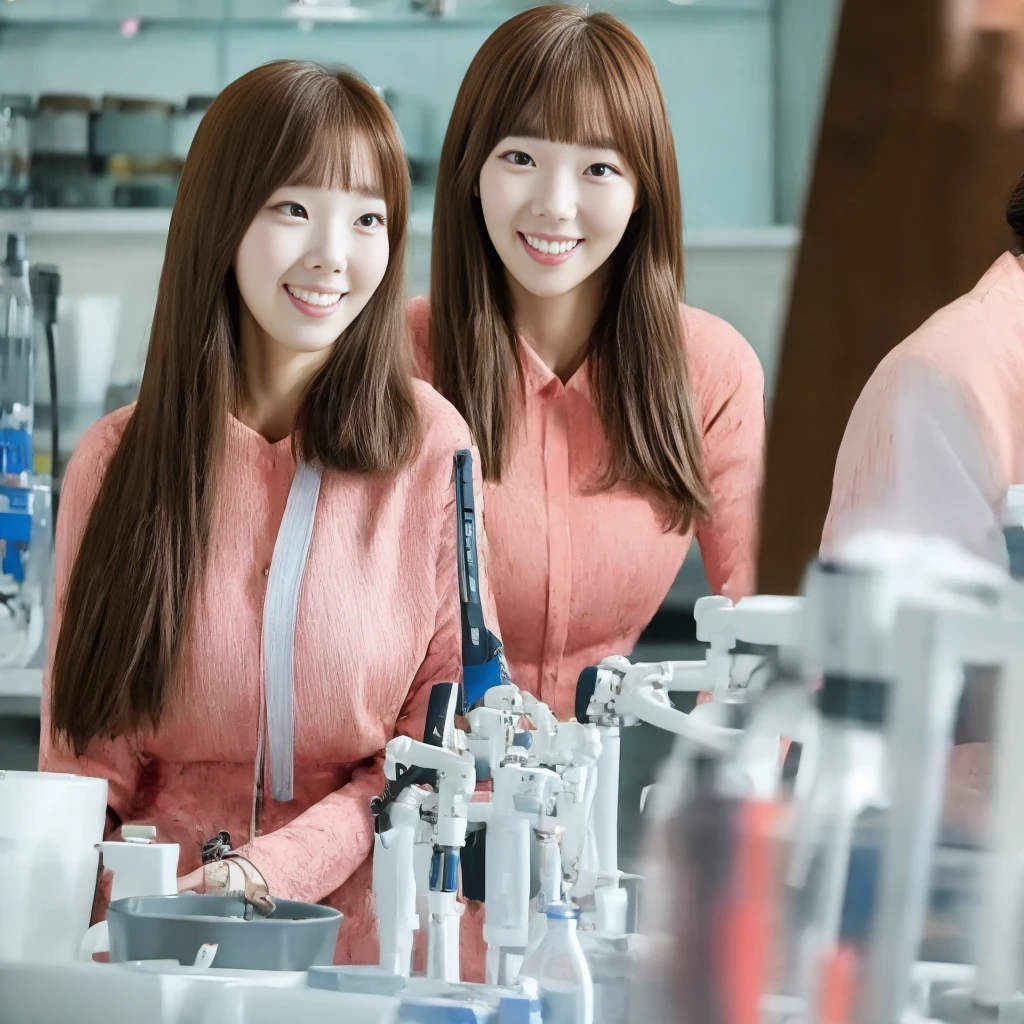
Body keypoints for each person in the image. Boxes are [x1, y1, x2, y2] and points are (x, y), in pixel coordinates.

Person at [39, 60, 485, 965]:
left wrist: (266, 871)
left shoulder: (429, 446)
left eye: (368, 220)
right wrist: (65, 950)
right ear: (222, 218)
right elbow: (82, 771)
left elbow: (434, 745)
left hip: (363, 949)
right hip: (152, 946)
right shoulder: (116, 463)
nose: (335, 255)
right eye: (295, 210)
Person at [408, 4, 765, 724]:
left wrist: (720, 789)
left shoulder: (713, 371)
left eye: (599, 167)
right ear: (470, 170)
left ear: (642, 193)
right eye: (520, 157)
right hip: (412, 804)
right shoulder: (396, 359)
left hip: (597, 801)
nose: (555, 204)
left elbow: (756, 625)